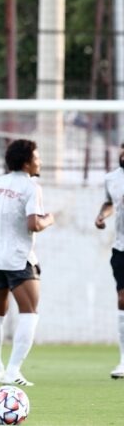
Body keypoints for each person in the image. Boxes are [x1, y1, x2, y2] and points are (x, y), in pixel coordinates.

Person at [0, 139, 54, 387]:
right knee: (30, 313)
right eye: (37, 157)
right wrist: (49, 219)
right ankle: (13, 371)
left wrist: (0, 218)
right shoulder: (31, 187)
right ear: (27, 162)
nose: (40, 161)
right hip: (19, 259)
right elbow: (33, 224)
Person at [94, 143, 124, 379]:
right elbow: (110, 202)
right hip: (121, 247)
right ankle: (123, 360)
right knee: (122, 300)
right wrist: (102, 215)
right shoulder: (111, 178)